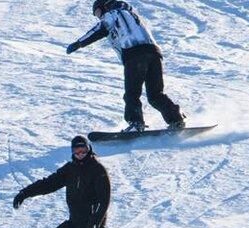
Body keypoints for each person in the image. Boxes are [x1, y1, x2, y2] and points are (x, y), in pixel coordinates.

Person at [65, 0, 185, 133]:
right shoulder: (132, 14)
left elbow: (99, 29)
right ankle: (176, 119)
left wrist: (78, 44)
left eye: (98, 13)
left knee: (132, 94)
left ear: (104, 6)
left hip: (134, 54)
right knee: (155, 95)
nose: (99, 17)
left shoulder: (113, 13)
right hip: (154, 54)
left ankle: (136, 123)